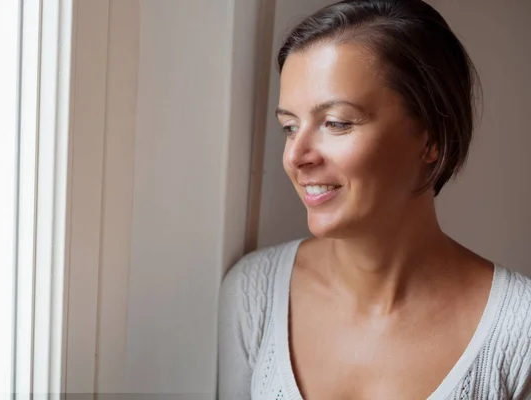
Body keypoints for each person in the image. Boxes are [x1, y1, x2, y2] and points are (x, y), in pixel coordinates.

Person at [217, 0, 531, 399]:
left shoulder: (521, 330)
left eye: (336, 123)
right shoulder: (252, 291)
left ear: (432, 137)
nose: (296, 157)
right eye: (290, 127)